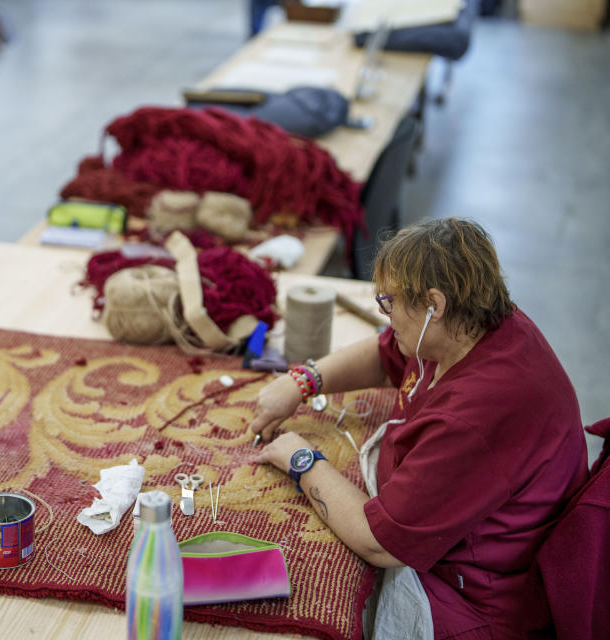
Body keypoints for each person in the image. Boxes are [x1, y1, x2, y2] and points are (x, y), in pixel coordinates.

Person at [249, 217, 588, 639]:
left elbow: (380, 543)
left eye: (389, 302)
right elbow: (387, 353)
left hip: (474, 602)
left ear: (434, 303)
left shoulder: (476, 414)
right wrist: (301, 381)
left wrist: (301, 459)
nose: (383, 314)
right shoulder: (470, 325)